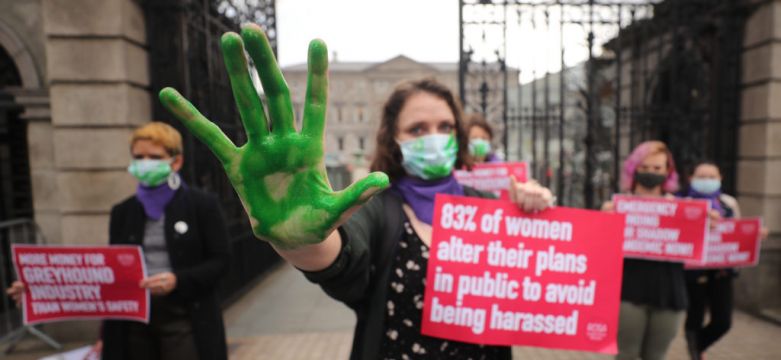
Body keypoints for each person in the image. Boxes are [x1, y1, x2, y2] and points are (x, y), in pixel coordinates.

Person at [156, 24, 554, 360]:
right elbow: (342, 255)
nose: (433, 138)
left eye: (445, 127)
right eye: (417, 129)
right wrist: (298, 241)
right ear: (394, 139)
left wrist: (536, 213)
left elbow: (544, 284)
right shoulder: (379, 207)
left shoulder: (489, 205)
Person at [7, 122, 230, 360]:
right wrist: (38, 289)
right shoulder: (123, 212)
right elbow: (108, 273)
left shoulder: (202, 206)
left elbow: (221, 261)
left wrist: (177, 280)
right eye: (138, 156)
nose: (145, 162)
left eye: (154, 156)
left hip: (184, 319)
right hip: (133, 323)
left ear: (176, 162)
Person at [602, 140, 686, 360]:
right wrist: (604, 223)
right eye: (644, 167)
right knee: (626, 354)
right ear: (633, 169)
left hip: (669, 292)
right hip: (629, 290)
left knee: (656, 356)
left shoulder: (683, 209)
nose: (651, 172)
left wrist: (709, 228)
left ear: (668, 171)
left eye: (657, 168)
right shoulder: (617, 207)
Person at [680, 161, 739, 360]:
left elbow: (738, 231)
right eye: (701, 177)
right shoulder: (681, 201)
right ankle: (696, 352)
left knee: (723, 321)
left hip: (721, 270)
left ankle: (697, 344)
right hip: (693, 270)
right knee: (695, 315)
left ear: (720, 178)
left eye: (711, 177)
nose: (707, 181)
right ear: (691, 178)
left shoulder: (728, 203)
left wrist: (755, 235)